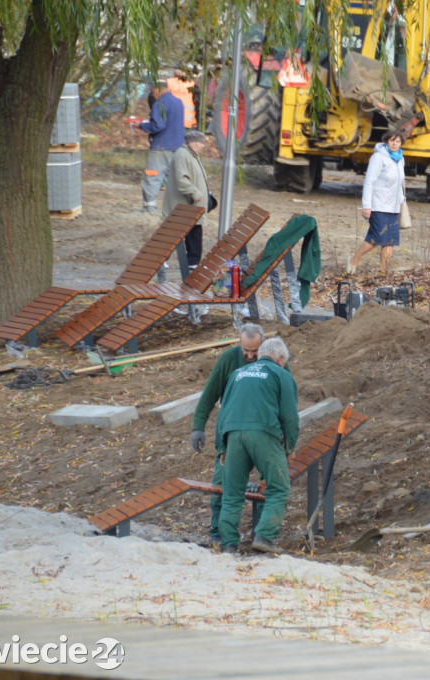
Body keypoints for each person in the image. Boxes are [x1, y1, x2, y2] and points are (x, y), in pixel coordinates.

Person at [215, 337, 300, 554]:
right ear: (280, 359)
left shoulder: (237, 374)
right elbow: (290, 416)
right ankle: (264, 537)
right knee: (279, 488)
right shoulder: (282, 375)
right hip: (265, 434)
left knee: (232, 492)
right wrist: (289, 448)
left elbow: (222, 412)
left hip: (233, 435)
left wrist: (221, 447)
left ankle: (228, 546)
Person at [190, 324, 270, 546]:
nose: (250, 356)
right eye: (246, 350)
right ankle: (218, 532)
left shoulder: (273, 359)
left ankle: (262, 533)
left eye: (255, 351)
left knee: (269, 481)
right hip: (231, 434)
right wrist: (199, 426)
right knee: (222, 481)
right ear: (239, 343)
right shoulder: (228, 359)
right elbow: (209, 394)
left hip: (263, 432)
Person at [347, 130, 406, 276]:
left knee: (390, 241)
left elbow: (399, 183)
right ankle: (353, 260)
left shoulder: (400, 159)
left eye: (397, 141)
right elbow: (369, 182)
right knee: (376, 238)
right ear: (387, 141)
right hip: (378, 205)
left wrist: (401, 201)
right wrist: (366, 205)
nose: (394, 144)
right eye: (392, 140)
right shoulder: (378, 157)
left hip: (393, 208)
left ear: (401, 144)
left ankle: (383, 273)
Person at [162, 129, 210, 270]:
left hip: (192, 204)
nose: (203, 146)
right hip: (183, 204)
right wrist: (196, 193)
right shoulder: (182, 155)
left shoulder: (192, 155)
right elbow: (182, 180)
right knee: (175, 232)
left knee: (194, 232)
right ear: (192, 142)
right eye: (201, 143)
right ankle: (162, 259)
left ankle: (193, 262)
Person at [138, 80, 186, 214]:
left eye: (152, 91)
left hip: (161, 146)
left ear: (158, 89)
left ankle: (149, 207)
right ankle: (177, 208)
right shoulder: (178, 102)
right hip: (178, 145)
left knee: (152, 176)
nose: (152, 94)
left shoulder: (160, 104)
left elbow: (157, 126)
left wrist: (141, 125)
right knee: (173, 179)